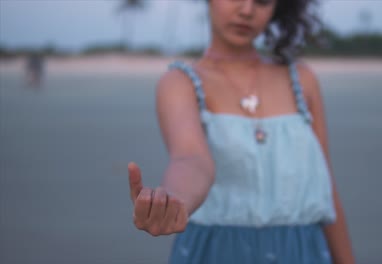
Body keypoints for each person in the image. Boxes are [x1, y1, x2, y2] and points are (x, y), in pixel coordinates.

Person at [127, 0, 355, 263]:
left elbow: (326, 186)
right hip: (216, 252)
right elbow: (190, 158)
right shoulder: (180, 82)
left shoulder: (302, 80)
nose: (247, 10)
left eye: (262, 1)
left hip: (303, 251)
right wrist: (174, 198)